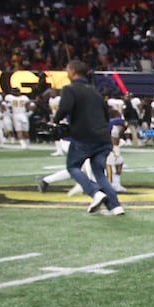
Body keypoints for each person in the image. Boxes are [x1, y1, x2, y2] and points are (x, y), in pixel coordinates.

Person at [54, 59, 124, 216]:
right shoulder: (96, 92)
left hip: (84, 137)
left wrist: (54, 121)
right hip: (103, 138)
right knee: (99, 172)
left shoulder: (69, 89)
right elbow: (106, 115)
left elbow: (64, 108)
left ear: (72, 71)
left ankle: (95, 193)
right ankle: (116, 206)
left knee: (72, 167)